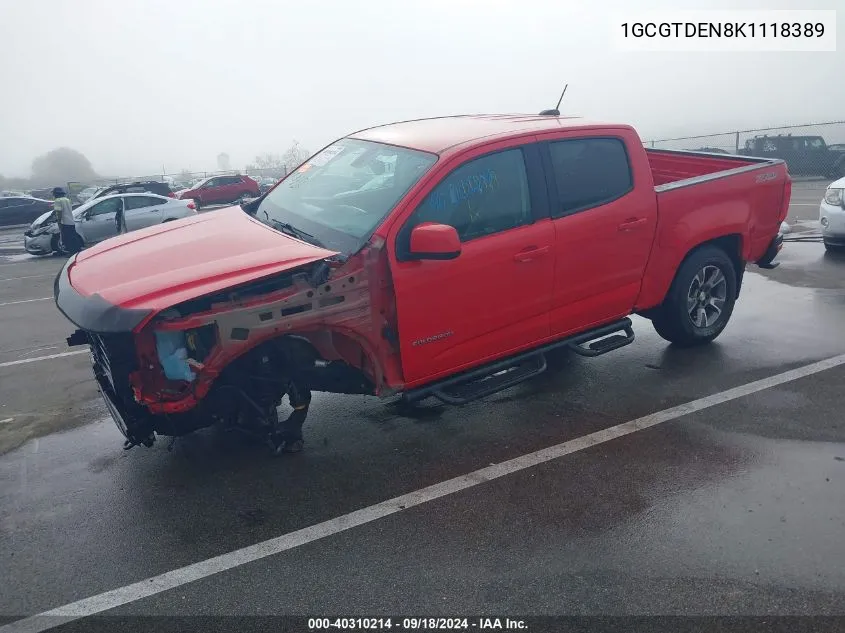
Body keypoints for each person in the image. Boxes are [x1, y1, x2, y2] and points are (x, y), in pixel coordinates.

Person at [52, 187, 82, 254]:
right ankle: (77, 250)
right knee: (73, 237)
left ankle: (71, 252)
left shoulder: (58, 200)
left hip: (64, 222)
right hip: (71, 221)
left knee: (66, 238)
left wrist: (59, 221)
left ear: (56, 194)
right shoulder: (67, 200)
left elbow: (59, 212)